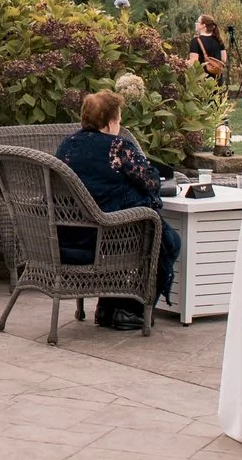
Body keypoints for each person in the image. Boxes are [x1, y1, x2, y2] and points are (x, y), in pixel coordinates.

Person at [55, 89, 179, 332]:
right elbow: (151, 182)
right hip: (108, 235)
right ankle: (131, 309)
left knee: (139, 232)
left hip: (69, 235)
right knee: (168, 240)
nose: (119, 125)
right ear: (111, 121)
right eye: (119, 120)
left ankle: (107, 308)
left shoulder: (66, 146)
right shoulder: (118, 147)